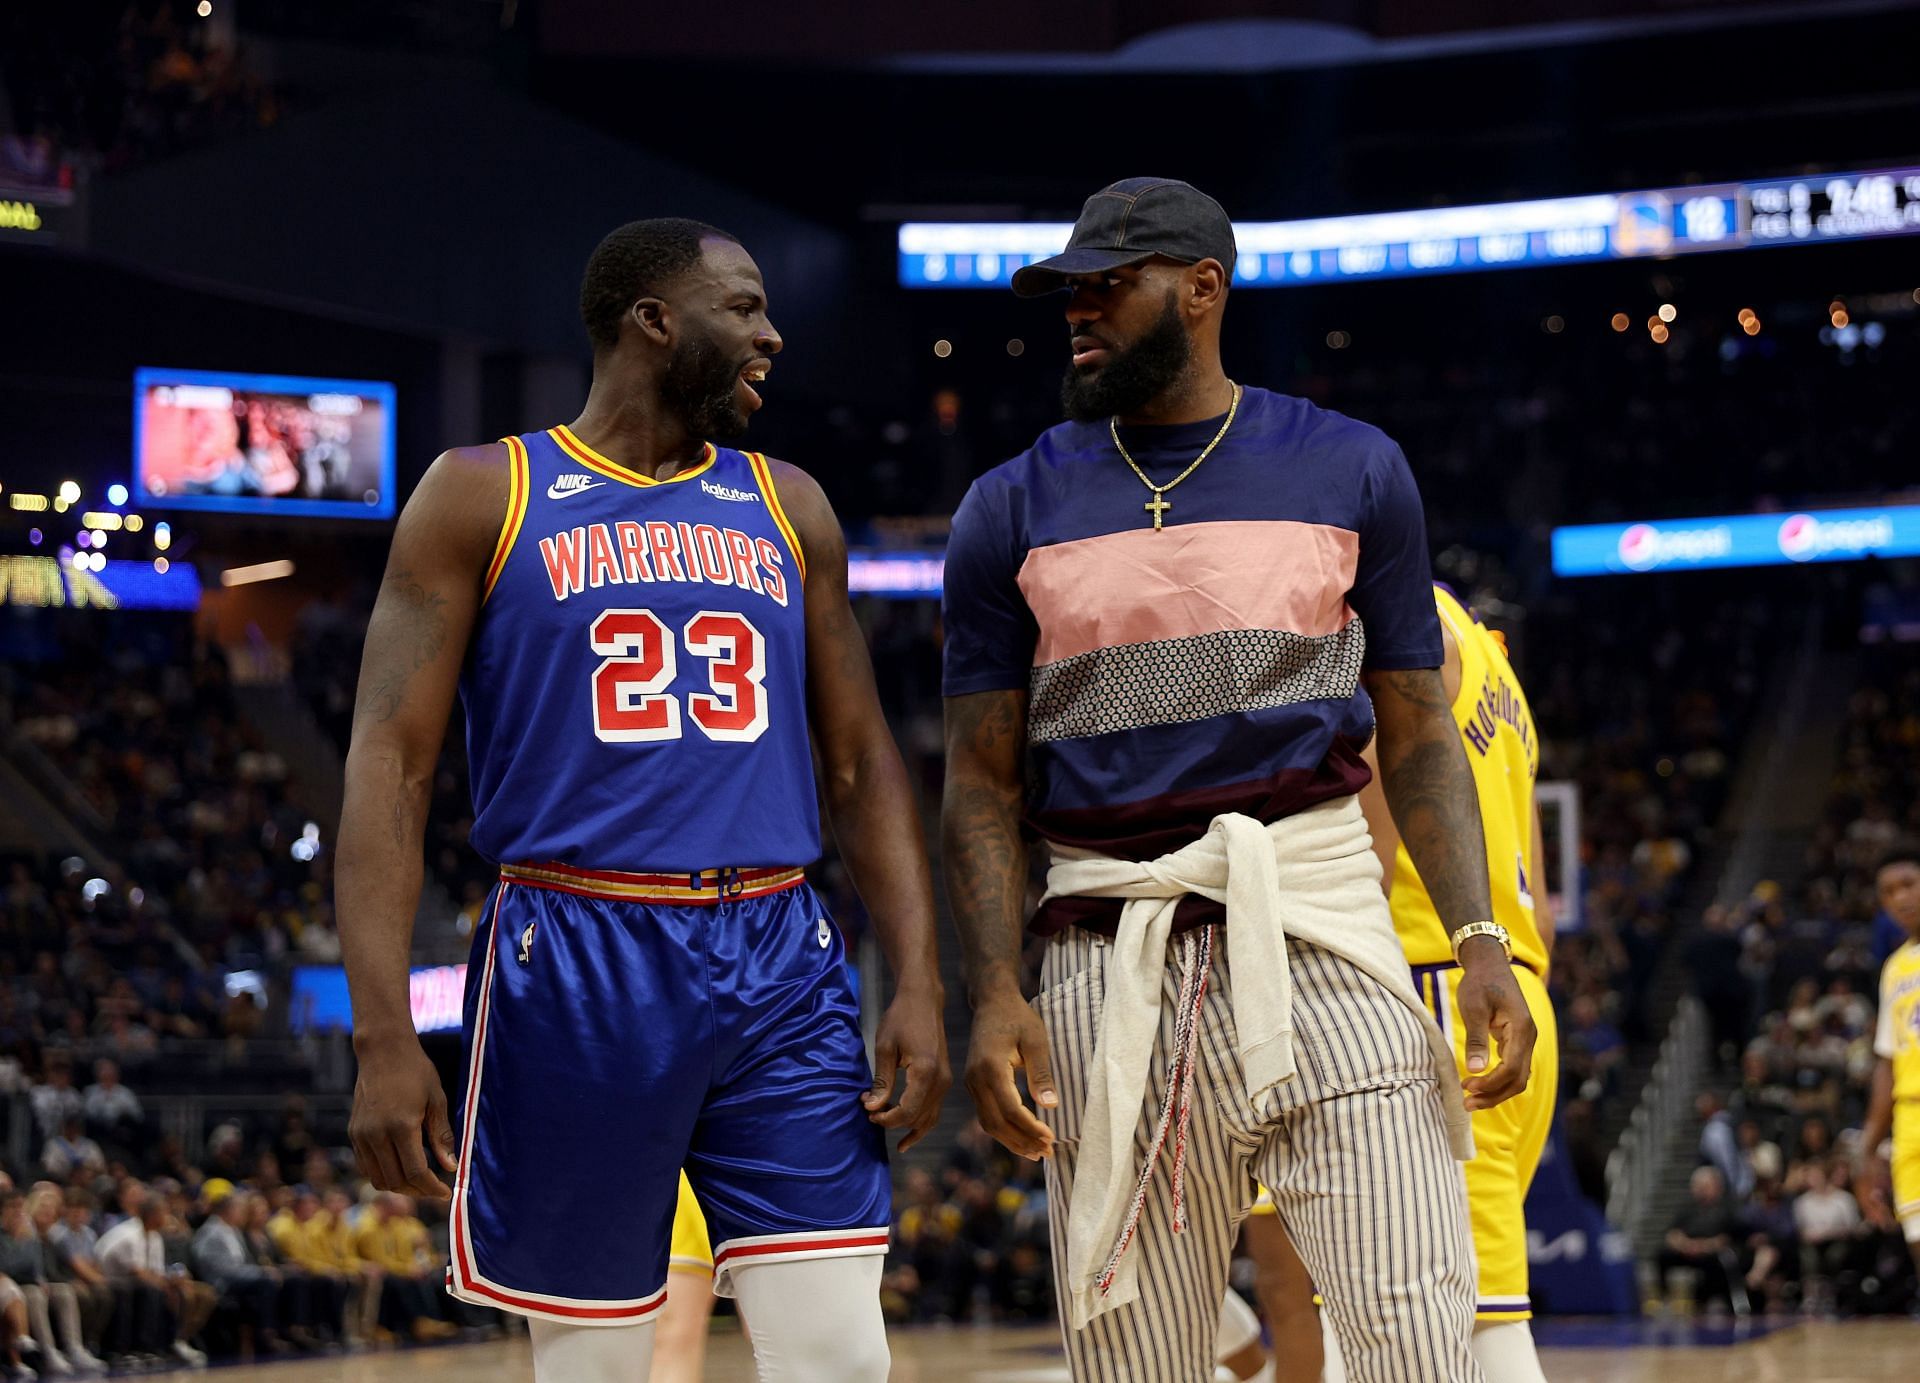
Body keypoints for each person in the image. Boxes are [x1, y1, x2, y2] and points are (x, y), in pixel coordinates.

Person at [942, 177, 1534, 1381]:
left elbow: (1418, 730)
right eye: (1072, 292)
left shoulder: (1354, 467)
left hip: (1324, 927)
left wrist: (1476, 936)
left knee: (1421, 1342)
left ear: (1202, 289)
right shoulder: (1006, 506)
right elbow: (979, 781)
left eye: (1110, 285)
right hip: (1108, 955)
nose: (1081, 312)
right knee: (1142, 1363)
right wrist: (995, 989)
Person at [337, 217, 948, 1383]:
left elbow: (864, 761)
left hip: (778, 944)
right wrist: (382, 1035)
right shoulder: (481, 492)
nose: (771, 336)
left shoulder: (791, 505)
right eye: (745, 308)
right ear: (652, 321)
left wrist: (917, 979)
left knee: (840, 1357)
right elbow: (390, 765)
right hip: (575, 946)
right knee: (599, 1367)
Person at [1241, 587, 1562, 1381]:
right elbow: (1545, 909)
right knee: (1401, 1316)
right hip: (1515, 989)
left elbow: (1370, 864)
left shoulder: (1389, 621)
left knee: (1464, 1321)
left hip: (1433, 994)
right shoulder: (1496, 667)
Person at [1859, 846, 1920, 1290]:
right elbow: (1886, 1061)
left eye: (1909, 884)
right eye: (1889, 891)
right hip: (1910, 1121)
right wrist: (1865, 1149)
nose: (1901, 897)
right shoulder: (1894, 968)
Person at [1655, 1167, 1743, 1314]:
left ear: (1717, 1186)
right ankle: (1664, 1299)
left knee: (1716, 1263)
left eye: (1706, 1186)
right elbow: (1672, 1233)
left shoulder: (1727, 1208)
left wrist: (1702, 1246)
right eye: (1698, 1186)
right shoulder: (1688, 1208)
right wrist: (1685, 1245)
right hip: (1687, 1249)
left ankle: (1709, 1300)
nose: (1701, 1190)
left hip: (1711, 1251)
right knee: (1662, 1255)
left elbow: (1726, 1238)